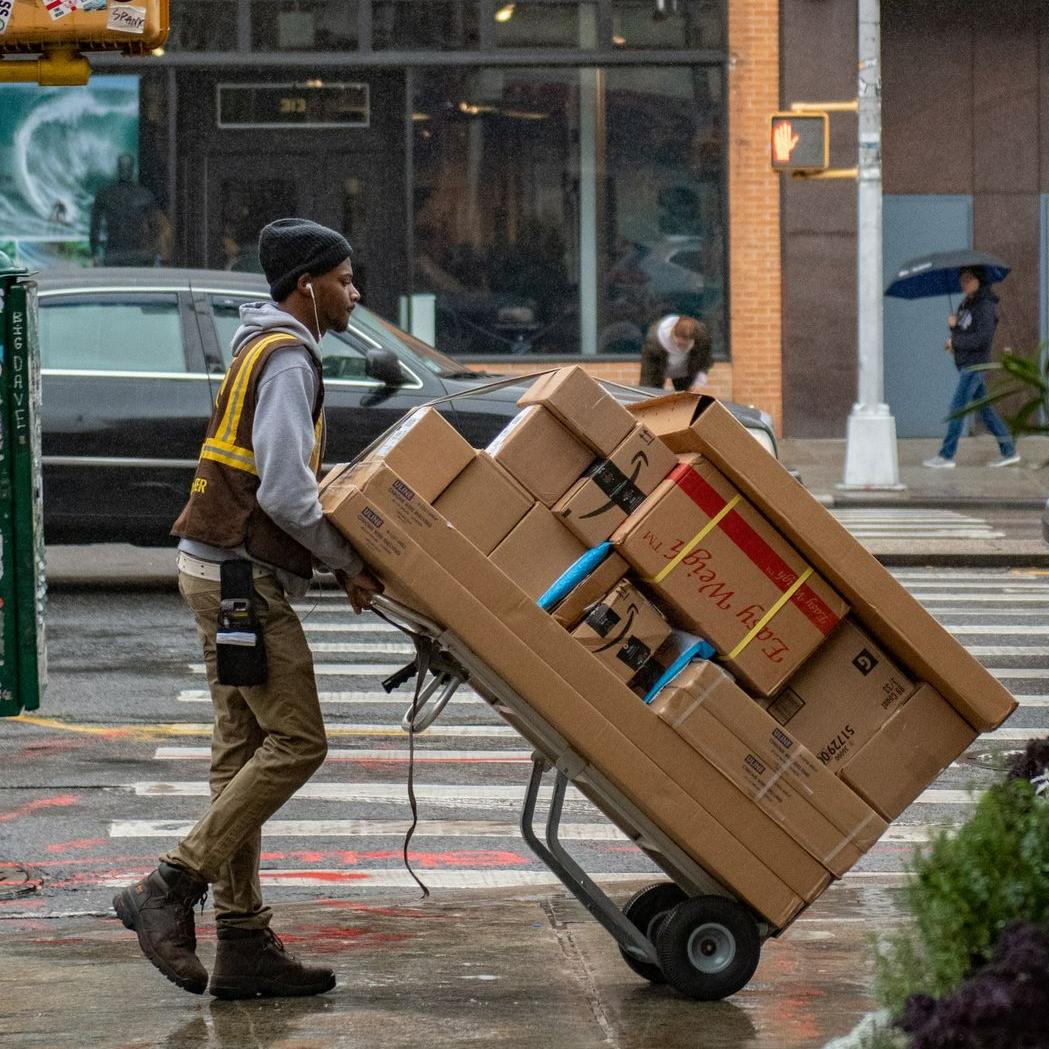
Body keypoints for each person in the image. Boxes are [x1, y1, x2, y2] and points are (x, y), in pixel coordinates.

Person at [112, 218, 383, 999]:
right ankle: (170, 882)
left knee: (240, 753)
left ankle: (243, 941)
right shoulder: (290, 359)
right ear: (306, 285)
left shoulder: (256, 344)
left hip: (212, 569)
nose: (353, 290)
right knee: (297, 742)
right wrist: (350, 563)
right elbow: (289, 493)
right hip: (242, 578)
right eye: (342, 276)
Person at [923, 266, 1020, 469]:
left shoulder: (985, 305)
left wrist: (955, 343)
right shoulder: (967, 303)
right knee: (986, 411)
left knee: (957, 409)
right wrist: (953, 328)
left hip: (975, 365)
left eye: (968, 279)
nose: (963, 283)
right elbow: (964, 332)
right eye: (962, 279)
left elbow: (982, 339)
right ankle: (1009, 450)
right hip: (967, 363)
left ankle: (946, 455)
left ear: (979, 280)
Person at [89, 154, 162, 266]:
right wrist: (155, 254)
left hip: (113, 253)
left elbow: (95, 226)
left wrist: (95, 253)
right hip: (138, 254)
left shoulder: (104, 194)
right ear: (133, 170)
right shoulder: (145, 195)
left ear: (118, 169)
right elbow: (156, 228)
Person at [639, 313, 712, 391]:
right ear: (672, 332)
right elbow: (648, 375)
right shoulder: (654, 341)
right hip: (657, 370)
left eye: (686, 345)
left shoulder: (702, 338)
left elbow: (705, 360)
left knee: (688, 398)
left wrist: (699, 382)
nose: (682, 348)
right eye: (679, 344)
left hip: (686, 372)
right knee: (651, 393)